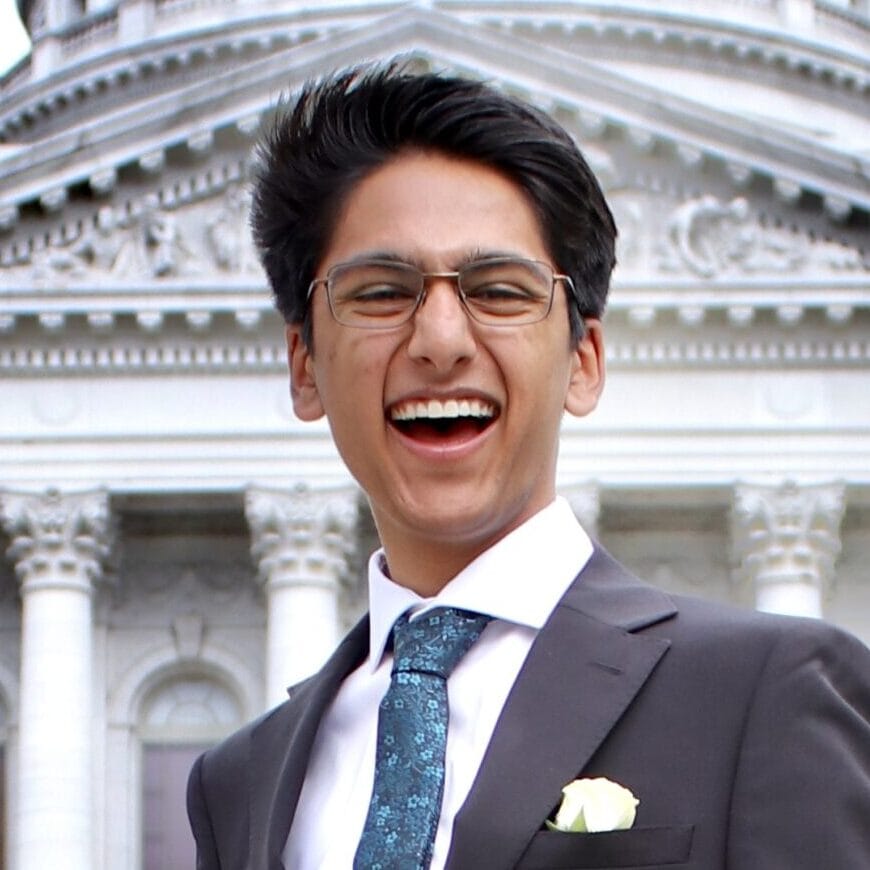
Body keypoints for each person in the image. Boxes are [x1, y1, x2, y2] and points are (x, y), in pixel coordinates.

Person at [187, 62, 870, 870]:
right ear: (304, 366)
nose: (440, 340)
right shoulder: (238, 784)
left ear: (583, 359)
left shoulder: (767, 692)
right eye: (380, 293)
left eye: (499, 291)